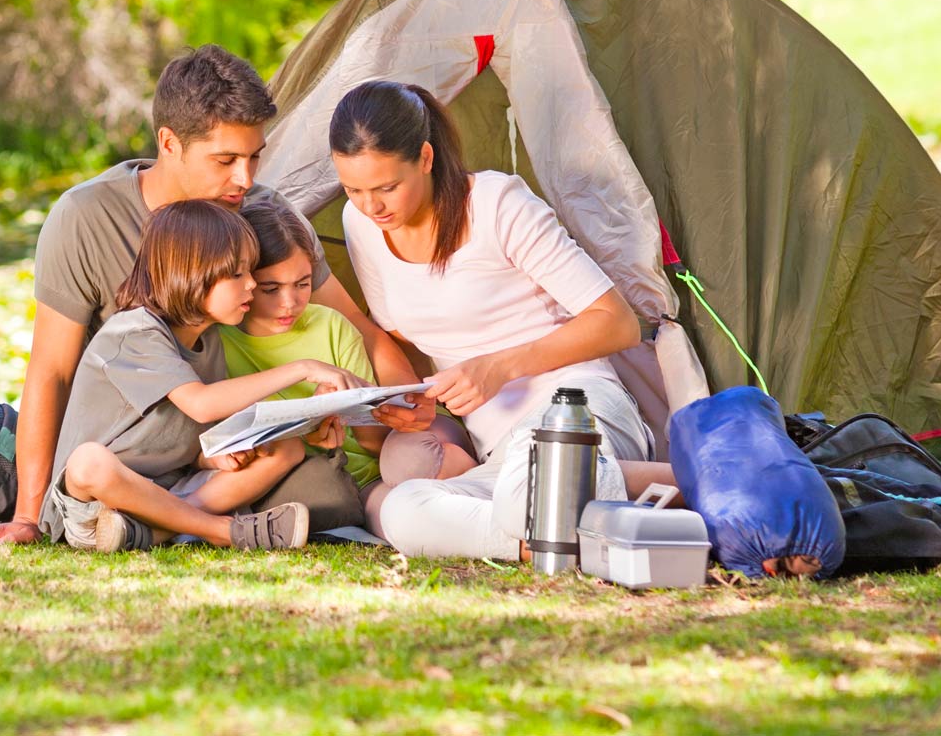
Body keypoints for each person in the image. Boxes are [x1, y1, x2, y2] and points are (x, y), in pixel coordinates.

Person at [0, 45, 434, 547]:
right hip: (128, 452)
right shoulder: (87, 220)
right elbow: (51, 371)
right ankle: (198, 527)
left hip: (219, 453)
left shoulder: (267, 214)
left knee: (314, 482)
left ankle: (157, 526)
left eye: (254, 157)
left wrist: (411, 404)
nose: (245, 180)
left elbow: (357, 326)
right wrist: (28, 517)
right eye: (225, 160)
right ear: (169, 143)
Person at [331, 80, 651, 560]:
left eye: (387, 187)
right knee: (402, 507)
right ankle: (538, 541)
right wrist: (420, 402)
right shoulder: (361, 225)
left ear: (425, 157)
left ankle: (611, 496)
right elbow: (410, 336)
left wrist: (500, 367)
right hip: (499, 456)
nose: (371, 205)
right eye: (352, 189)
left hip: (577, 408)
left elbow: (617, 323)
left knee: (534, 478)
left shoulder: (498, 205)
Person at [40, 200, 365, 551]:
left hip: (172, 491)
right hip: (97, 504)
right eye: (238, 274)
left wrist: (210, 457)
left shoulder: (208, 338)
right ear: (192, 275)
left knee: (283, 449)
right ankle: (222, 530)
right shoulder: (133, 333)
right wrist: (303, 368)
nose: (251, 286)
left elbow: (177, 436)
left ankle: (160, 529)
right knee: (88, 462)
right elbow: (200, 405)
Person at [220, 198, 477, 531]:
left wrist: (350, 406)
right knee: (405, 523)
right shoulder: (221, 342)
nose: (290, 303)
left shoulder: (330, 324)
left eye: (303, 284)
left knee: (411, 461)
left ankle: (486, 484)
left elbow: (374, 442)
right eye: (271, 288)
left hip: (377, 466)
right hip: (332, 485)